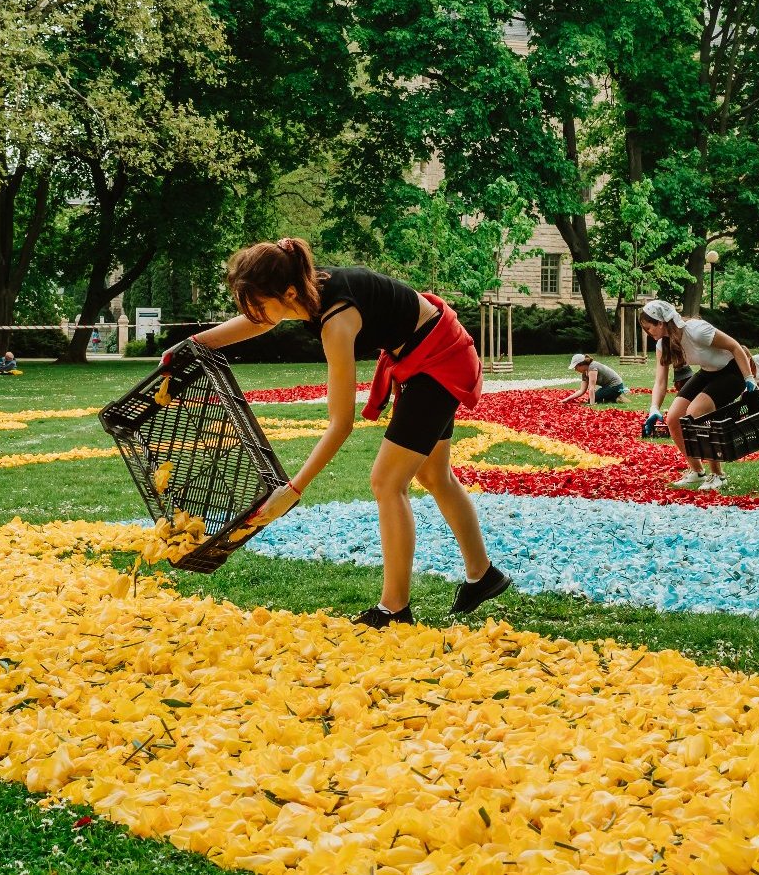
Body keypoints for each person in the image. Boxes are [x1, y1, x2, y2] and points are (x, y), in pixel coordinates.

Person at [169, 237, 509, 627]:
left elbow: (340, 423)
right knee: (433, 475)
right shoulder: (310, 290)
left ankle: (394, 609)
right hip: (431, 351)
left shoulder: (337, 322)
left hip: (438, 361)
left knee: (386, 482)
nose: (254, 313)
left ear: (289, 293)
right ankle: (483, 575)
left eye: (259, 303)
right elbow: (256, 321)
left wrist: (292, 491)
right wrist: (191, 344)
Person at [640, 299, 759, 492]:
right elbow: (660, 381)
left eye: (649, 328)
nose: (648, 333)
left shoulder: (696, 330)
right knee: (674, 418)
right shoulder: (662, 344)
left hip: (732, 372)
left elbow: (735, 347)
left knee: (695, 413)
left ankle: (718, 475)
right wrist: (654, 408)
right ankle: (697, 471)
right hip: (709, 372)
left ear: (661, 322)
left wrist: (749, 378)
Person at [558, 353, 627, 405]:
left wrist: (592, 404)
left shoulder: (592, 368)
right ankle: (614, 398)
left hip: (616, 385)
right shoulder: (585, 373)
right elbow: (582, 390)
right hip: (607, 386)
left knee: (594, 399)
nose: (575, 370)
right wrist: (567, 399)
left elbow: (591, 388)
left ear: (581, 364)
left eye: (576, 367)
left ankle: (615, 396)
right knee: (599, 399)